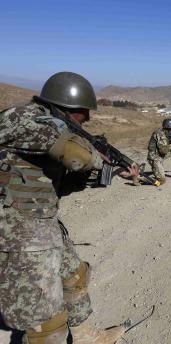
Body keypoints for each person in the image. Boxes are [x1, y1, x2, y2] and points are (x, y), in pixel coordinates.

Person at [0, 72, 138, 343]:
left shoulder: (55, 127)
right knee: (45, 318)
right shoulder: (23, 119)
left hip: (43, 223)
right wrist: (100, 158)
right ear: (67, 108)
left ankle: (87, 336)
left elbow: (65, 181)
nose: (87, 119)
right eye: (83, 114)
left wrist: (112, 171)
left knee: (75, 275)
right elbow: (77, 156)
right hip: (18, 230)